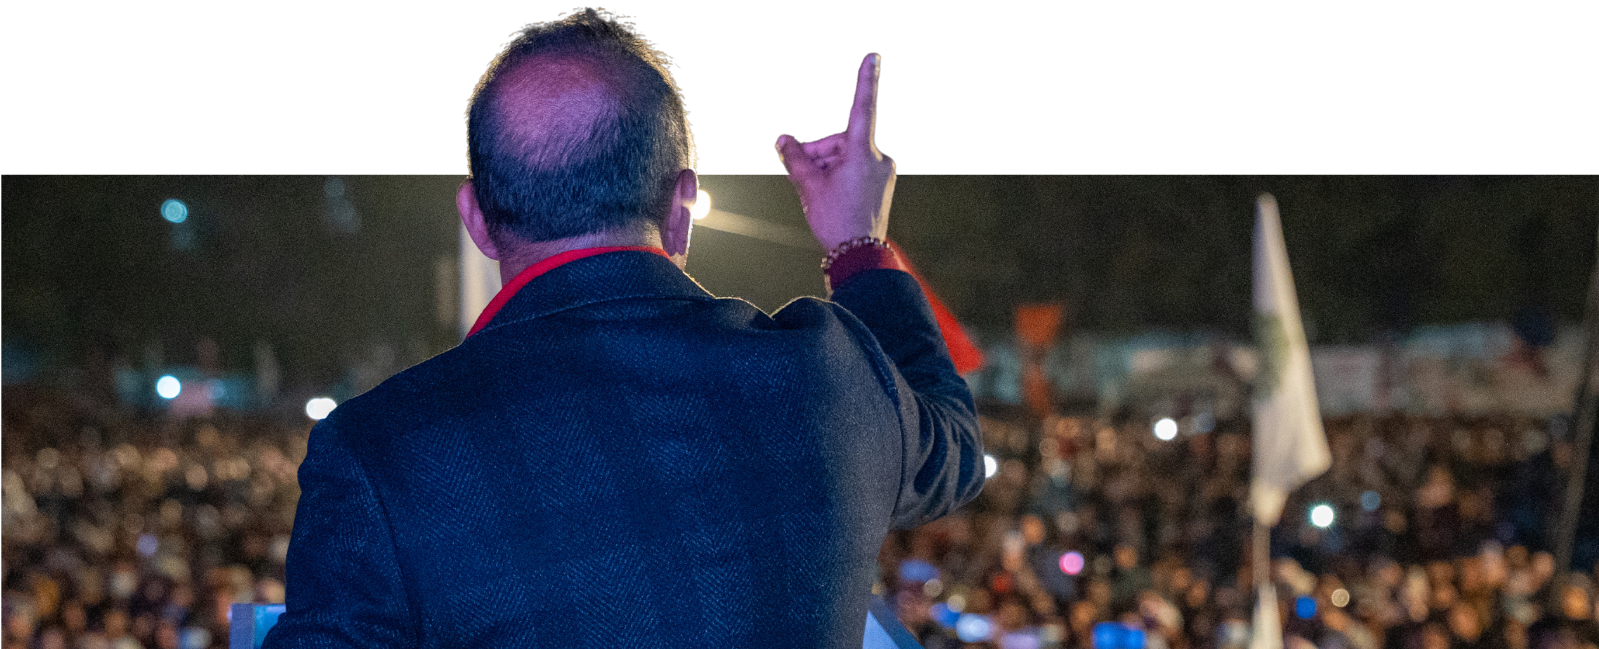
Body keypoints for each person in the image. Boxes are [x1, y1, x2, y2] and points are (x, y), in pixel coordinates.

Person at [263, 8, 984, 648]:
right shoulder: (824, 371)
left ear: (476, 220)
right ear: (682, 206)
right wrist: (857, 242)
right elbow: (952, 442)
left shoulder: (379, 453)